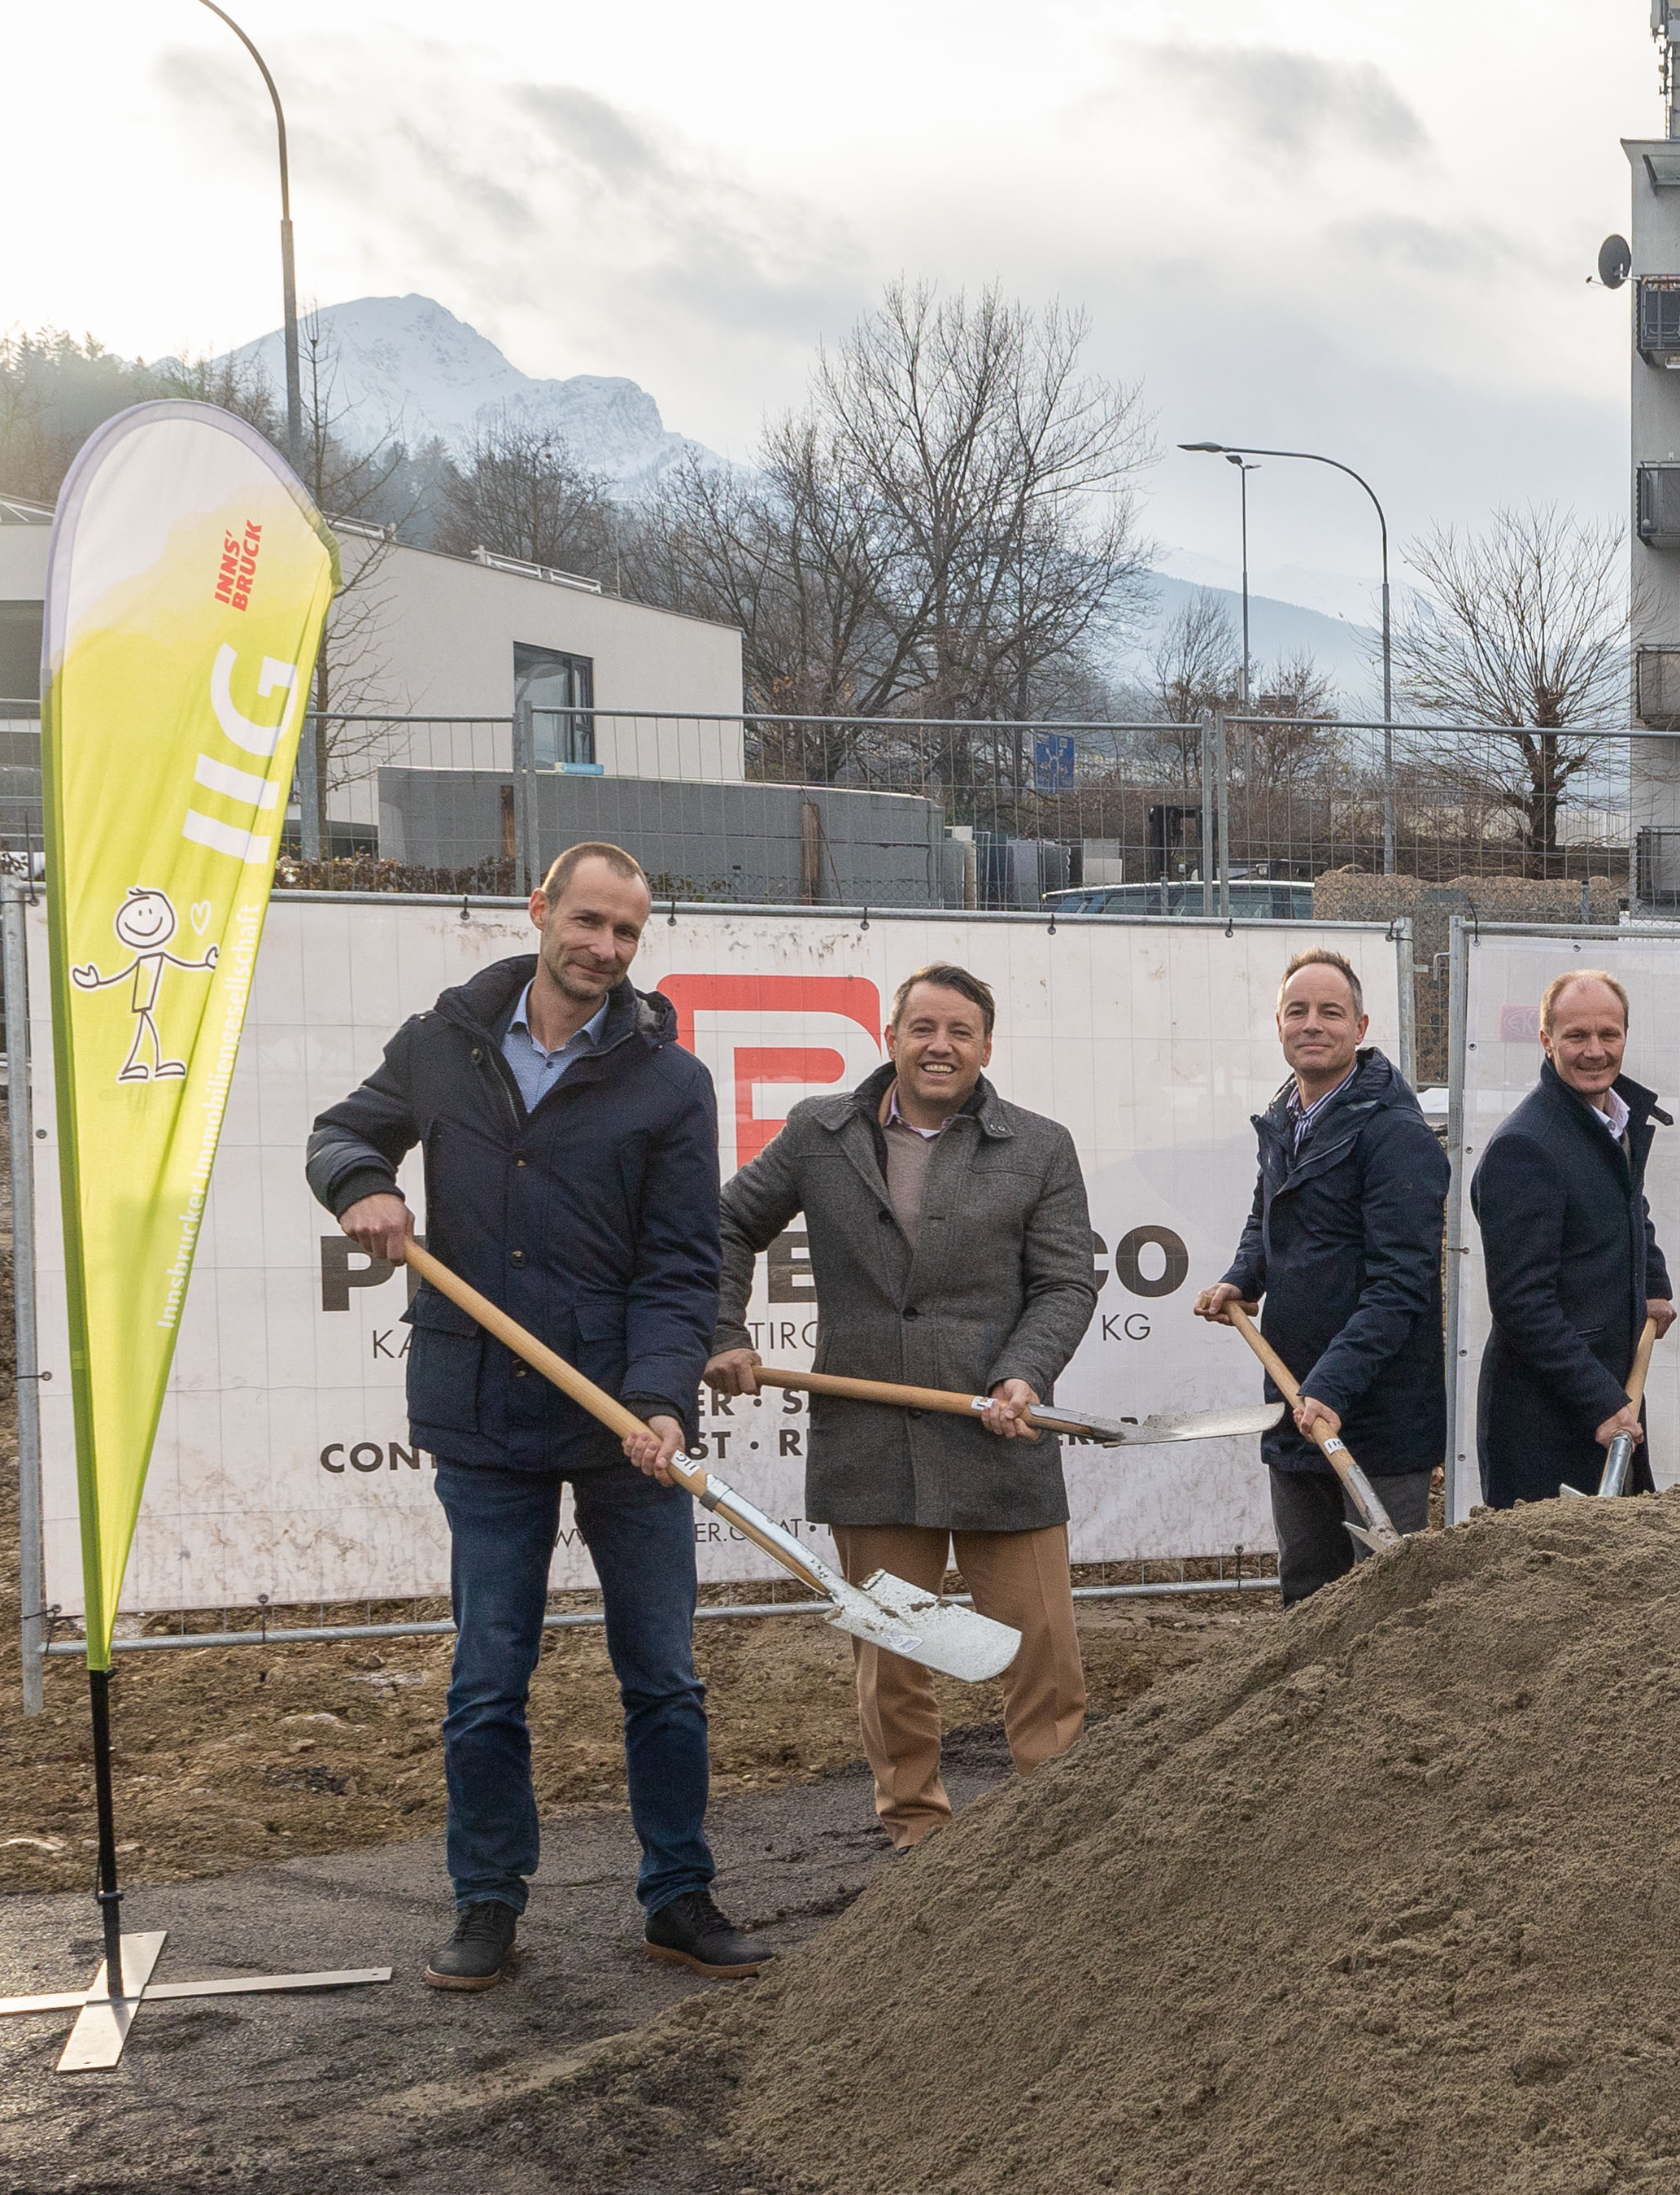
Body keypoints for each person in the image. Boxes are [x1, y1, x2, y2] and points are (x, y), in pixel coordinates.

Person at [309, 840, 757, 1990]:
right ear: (541, 911)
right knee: (487, 1676)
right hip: (483, 1414)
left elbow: (678, 1265)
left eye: (627, 934)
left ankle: (678, 1895)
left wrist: (657, 1402)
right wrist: (361, 1183)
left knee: (662, 1673)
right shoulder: (443, 1040)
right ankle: (488, 1901)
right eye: (590, 923)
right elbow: (340, 1131)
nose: (605, 950)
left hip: (624, 1421)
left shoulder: (670, 1080)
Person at [701, 962, 1097, 1852]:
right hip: (870, 1441)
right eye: (923, 1027)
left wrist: (1023, 1375)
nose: (940, 1045)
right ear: (890, 1037)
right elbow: (725, 1225)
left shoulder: (1038, 1146)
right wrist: (723, 1330)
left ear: (987, 1047)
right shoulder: (819, 1132)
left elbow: (1067, 1282)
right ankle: (917, 1832)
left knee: (1040, 1649)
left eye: (960, 1031)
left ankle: (1058, 1837)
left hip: (1001, 1436)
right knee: (893, 1655)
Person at [1202, 949, 1441, 1604]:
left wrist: (1331, 1386)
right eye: (1297, 1011)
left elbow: (1402, 1283)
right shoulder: (1286, 1120)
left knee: (1382, 1603)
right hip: (1295, 1398)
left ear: (1360, 1028)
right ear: (1278, 1023)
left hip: (1378, 1413)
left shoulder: (1396, 1135)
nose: (1313, 1024)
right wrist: (1242, 1276)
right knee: (1307, 1593)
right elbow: (1269, 1216)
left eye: (1330, 1012)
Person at [1473, 968, 1674, 1508]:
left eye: (1608, 1035)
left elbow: (1629, 1206)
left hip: (1610, 1394)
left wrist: (1653, 1282)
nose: (1594, 1051)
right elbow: (1523, 1305)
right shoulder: (1526, 1148)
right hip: (1544, 1422)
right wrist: (1600, 1402)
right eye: (1576, 1036)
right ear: (1546, 1040)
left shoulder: (1610, 1122)